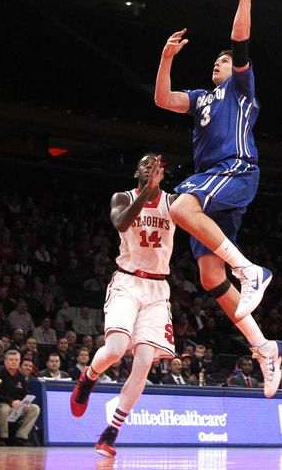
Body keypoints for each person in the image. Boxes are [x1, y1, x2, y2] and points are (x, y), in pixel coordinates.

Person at [153, 0, 282, 395]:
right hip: (213, 183)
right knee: (210, 278)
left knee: (178, 203)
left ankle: (251, 271)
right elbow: (163, 100)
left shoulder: (240, 89)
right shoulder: (201, 97)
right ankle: (264, 348)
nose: (219, 62)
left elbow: (240, 40)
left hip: (235, 169)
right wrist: (166, 58)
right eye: (217, 60)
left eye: (224, 60)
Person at [70, 154, 179, 458]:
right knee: (117, 348)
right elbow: (121, 222)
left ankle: (111, 432)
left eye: (155, 166)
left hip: (157, 287)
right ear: (137, 171)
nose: (150, 168)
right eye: (145, 164)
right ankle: (89, 376)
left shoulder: (173, 202)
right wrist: (148, 189)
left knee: (144, 360)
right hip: (128, 281)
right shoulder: (123, 197)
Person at [0, 350, 40, 446]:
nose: (14, 362)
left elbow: (26, 392)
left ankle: (21, 436)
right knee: (4, 409)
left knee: (35, 408)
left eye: (16, 360)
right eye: (11, 360)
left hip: (18, 405)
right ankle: (3, 437)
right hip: (4, 403)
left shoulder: (20, 375)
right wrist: (11, 402)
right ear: (5, 361)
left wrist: (27, 402)